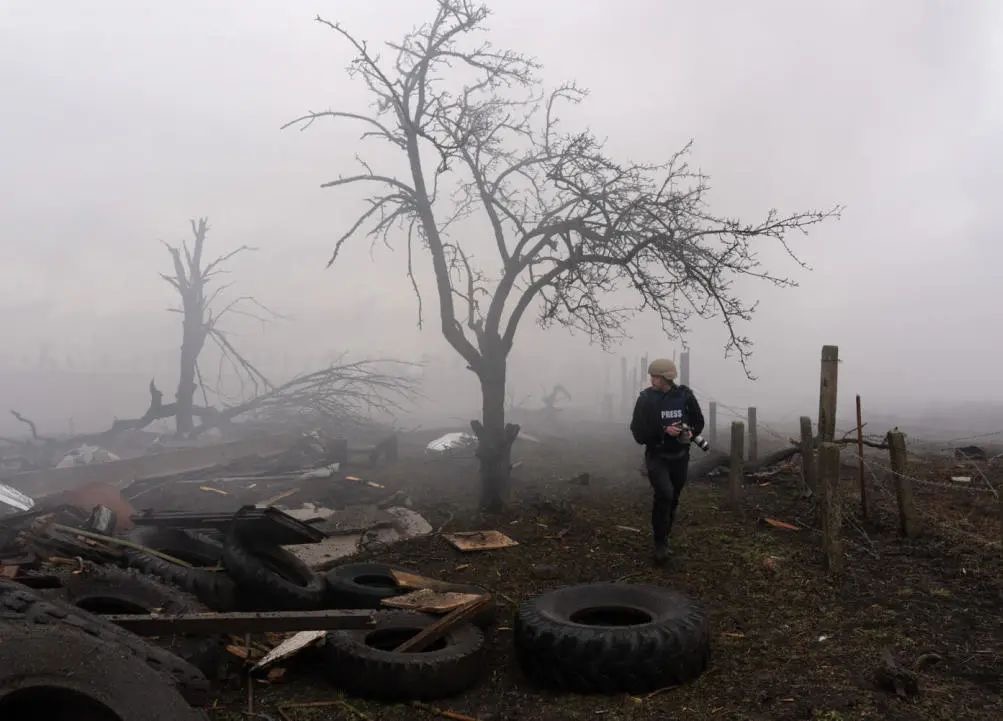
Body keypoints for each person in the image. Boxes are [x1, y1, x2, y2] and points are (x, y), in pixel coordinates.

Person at [630, 358, 705, 564]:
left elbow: (698, 422)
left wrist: (688, 431)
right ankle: (660, 543)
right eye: (651, 376)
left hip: (680, 456)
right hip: (657, 455)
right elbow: (637, 432)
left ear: (666, 378)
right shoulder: (645, 399)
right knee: (664, 493)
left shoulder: (685, 396)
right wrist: (663, 431)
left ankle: (665, 534)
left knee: (673, 498)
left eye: (656, 377)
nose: (652, 380)